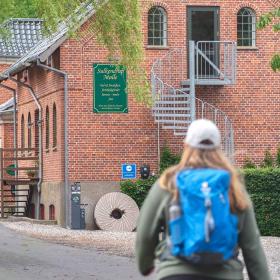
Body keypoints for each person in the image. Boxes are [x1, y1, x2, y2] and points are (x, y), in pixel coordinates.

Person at [135, 119, 271, 280]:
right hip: (225, 274)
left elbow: (145, 232)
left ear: (186, 146)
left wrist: (145, 265)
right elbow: (252, 245)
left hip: (176, 273)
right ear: (218, 149)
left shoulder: (169, 183)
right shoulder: (233, 187)